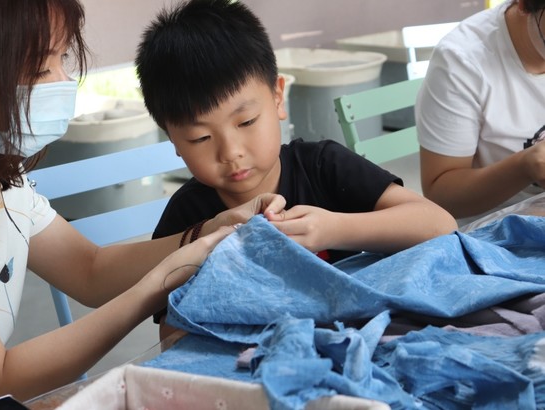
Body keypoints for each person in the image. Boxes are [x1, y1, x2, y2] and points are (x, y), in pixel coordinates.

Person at [0, 0, 287, 408]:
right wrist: (161, 282)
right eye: (41, 69)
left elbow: (88, 269)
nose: (63, 82)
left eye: (62, 59)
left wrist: (207, 233)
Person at [135, 0, 458, 338]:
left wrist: (333, 229)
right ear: (173, 140)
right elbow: (172, 334)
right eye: (200, 138)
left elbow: (438, 224)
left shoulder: (322, 166)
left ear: (278, 98)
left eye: (246, 121)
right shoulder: (186, 221)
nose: (231, 152)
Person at [417, 0, 545, 226]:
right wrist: (525, 166)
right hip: (498, 232)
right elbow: (441, 194)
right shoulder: (461, 61)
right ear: (525, 4)